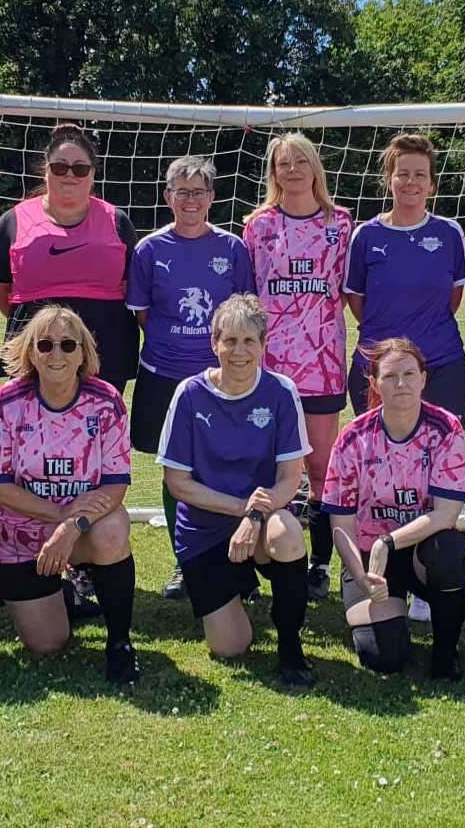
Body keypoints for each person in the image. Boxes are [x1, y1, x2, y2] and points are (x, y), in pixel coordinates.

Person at [158, 294, 315, 687]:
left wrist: (256, 517)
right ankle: (236, 586)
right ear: (214, 344)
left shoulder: (281, 391)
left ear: (264, 345)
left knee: (288, 533)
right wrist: (244, 510)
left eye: (249, 341)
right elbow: (178, 484)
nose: (239, 351)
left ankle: (291, 651)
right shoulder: (189, 394)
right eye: (230, 340)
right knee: (231, 647)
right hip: (205, 532)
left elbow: (289, 479)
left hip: (261, 522)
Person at [0, 305, 140, 683]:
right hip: (18, 534)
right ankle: (65, 594)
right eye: (45, 344)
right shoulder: (7, 401)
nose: (56, 355)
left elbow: (116, 483)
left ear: (84, 352)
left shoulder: (106, 401)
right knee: (47, 644)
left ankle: (120, 644)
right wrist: (59, 516)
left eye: (68, 345)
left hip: (81, 529)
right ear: (30, 351)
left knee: (113, 529)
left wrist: (71, 529)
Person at [127, 155, 253, 600]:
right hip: (163, 374)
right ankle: (186, 562)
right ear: (168, 197)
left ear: (212, 198)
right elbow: (143, 312)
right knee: (174, 472)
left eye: (199, 191)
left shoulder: (233, 248)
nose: (191, 200)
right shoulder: (149, 250)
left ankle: (238, 561)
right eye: (182, 191)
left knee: (225, 465)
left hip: (221, 378)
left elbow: (244, 312)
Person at [242, 133, 354, 601]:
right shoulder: (258, 225)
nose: (292, 171)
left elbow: (354, 292)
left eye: (300, 162)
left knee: (321, 465)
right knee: (261, 464)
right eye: (282, 164)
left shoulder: (342, 224)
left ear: (315, 168)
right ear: (273, 173)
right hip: (268, 368)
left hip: (323, 363)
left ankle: (320, 563)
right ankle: (255, 554)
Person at [322, 338, 465, 680]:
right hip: (368, 562)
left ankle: (445, 654)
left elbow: (446, 514)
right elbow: (341, 524)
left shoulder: (446, 428)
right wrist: (360, 574)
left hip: (421, 551)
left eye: (409, 373)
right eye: (390, 376)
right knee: (384, 657)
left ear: (423, 378)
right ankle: (388, 616)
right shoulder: (352, 438)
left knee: (450, 553)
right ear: (374, 383)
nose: (401, 383)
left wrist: (387, 542)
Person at [0, 123, 138, 391]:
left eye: (80, 168)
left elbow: (133, 285)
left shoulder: (118, 221)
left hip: (106, 351)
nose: (70, 175)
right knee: (33, 429)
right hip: (37, 349)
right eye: (59, 167)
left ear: (92, 174)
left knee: (97, 429)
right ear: (45, 171)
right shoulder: (14, 221)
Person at [345, 133, 465, 423]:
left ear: (431, 183)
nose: (411, 181)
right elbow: (356, 301)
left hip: (441, 364)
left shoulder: (449, 234)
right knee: (380, 458)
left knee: (440, 458)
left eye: (420, 174)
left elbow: (452, 300)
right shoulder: (365, 235)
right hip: (377, 367)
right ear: (389, 180)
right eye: (402, 174)